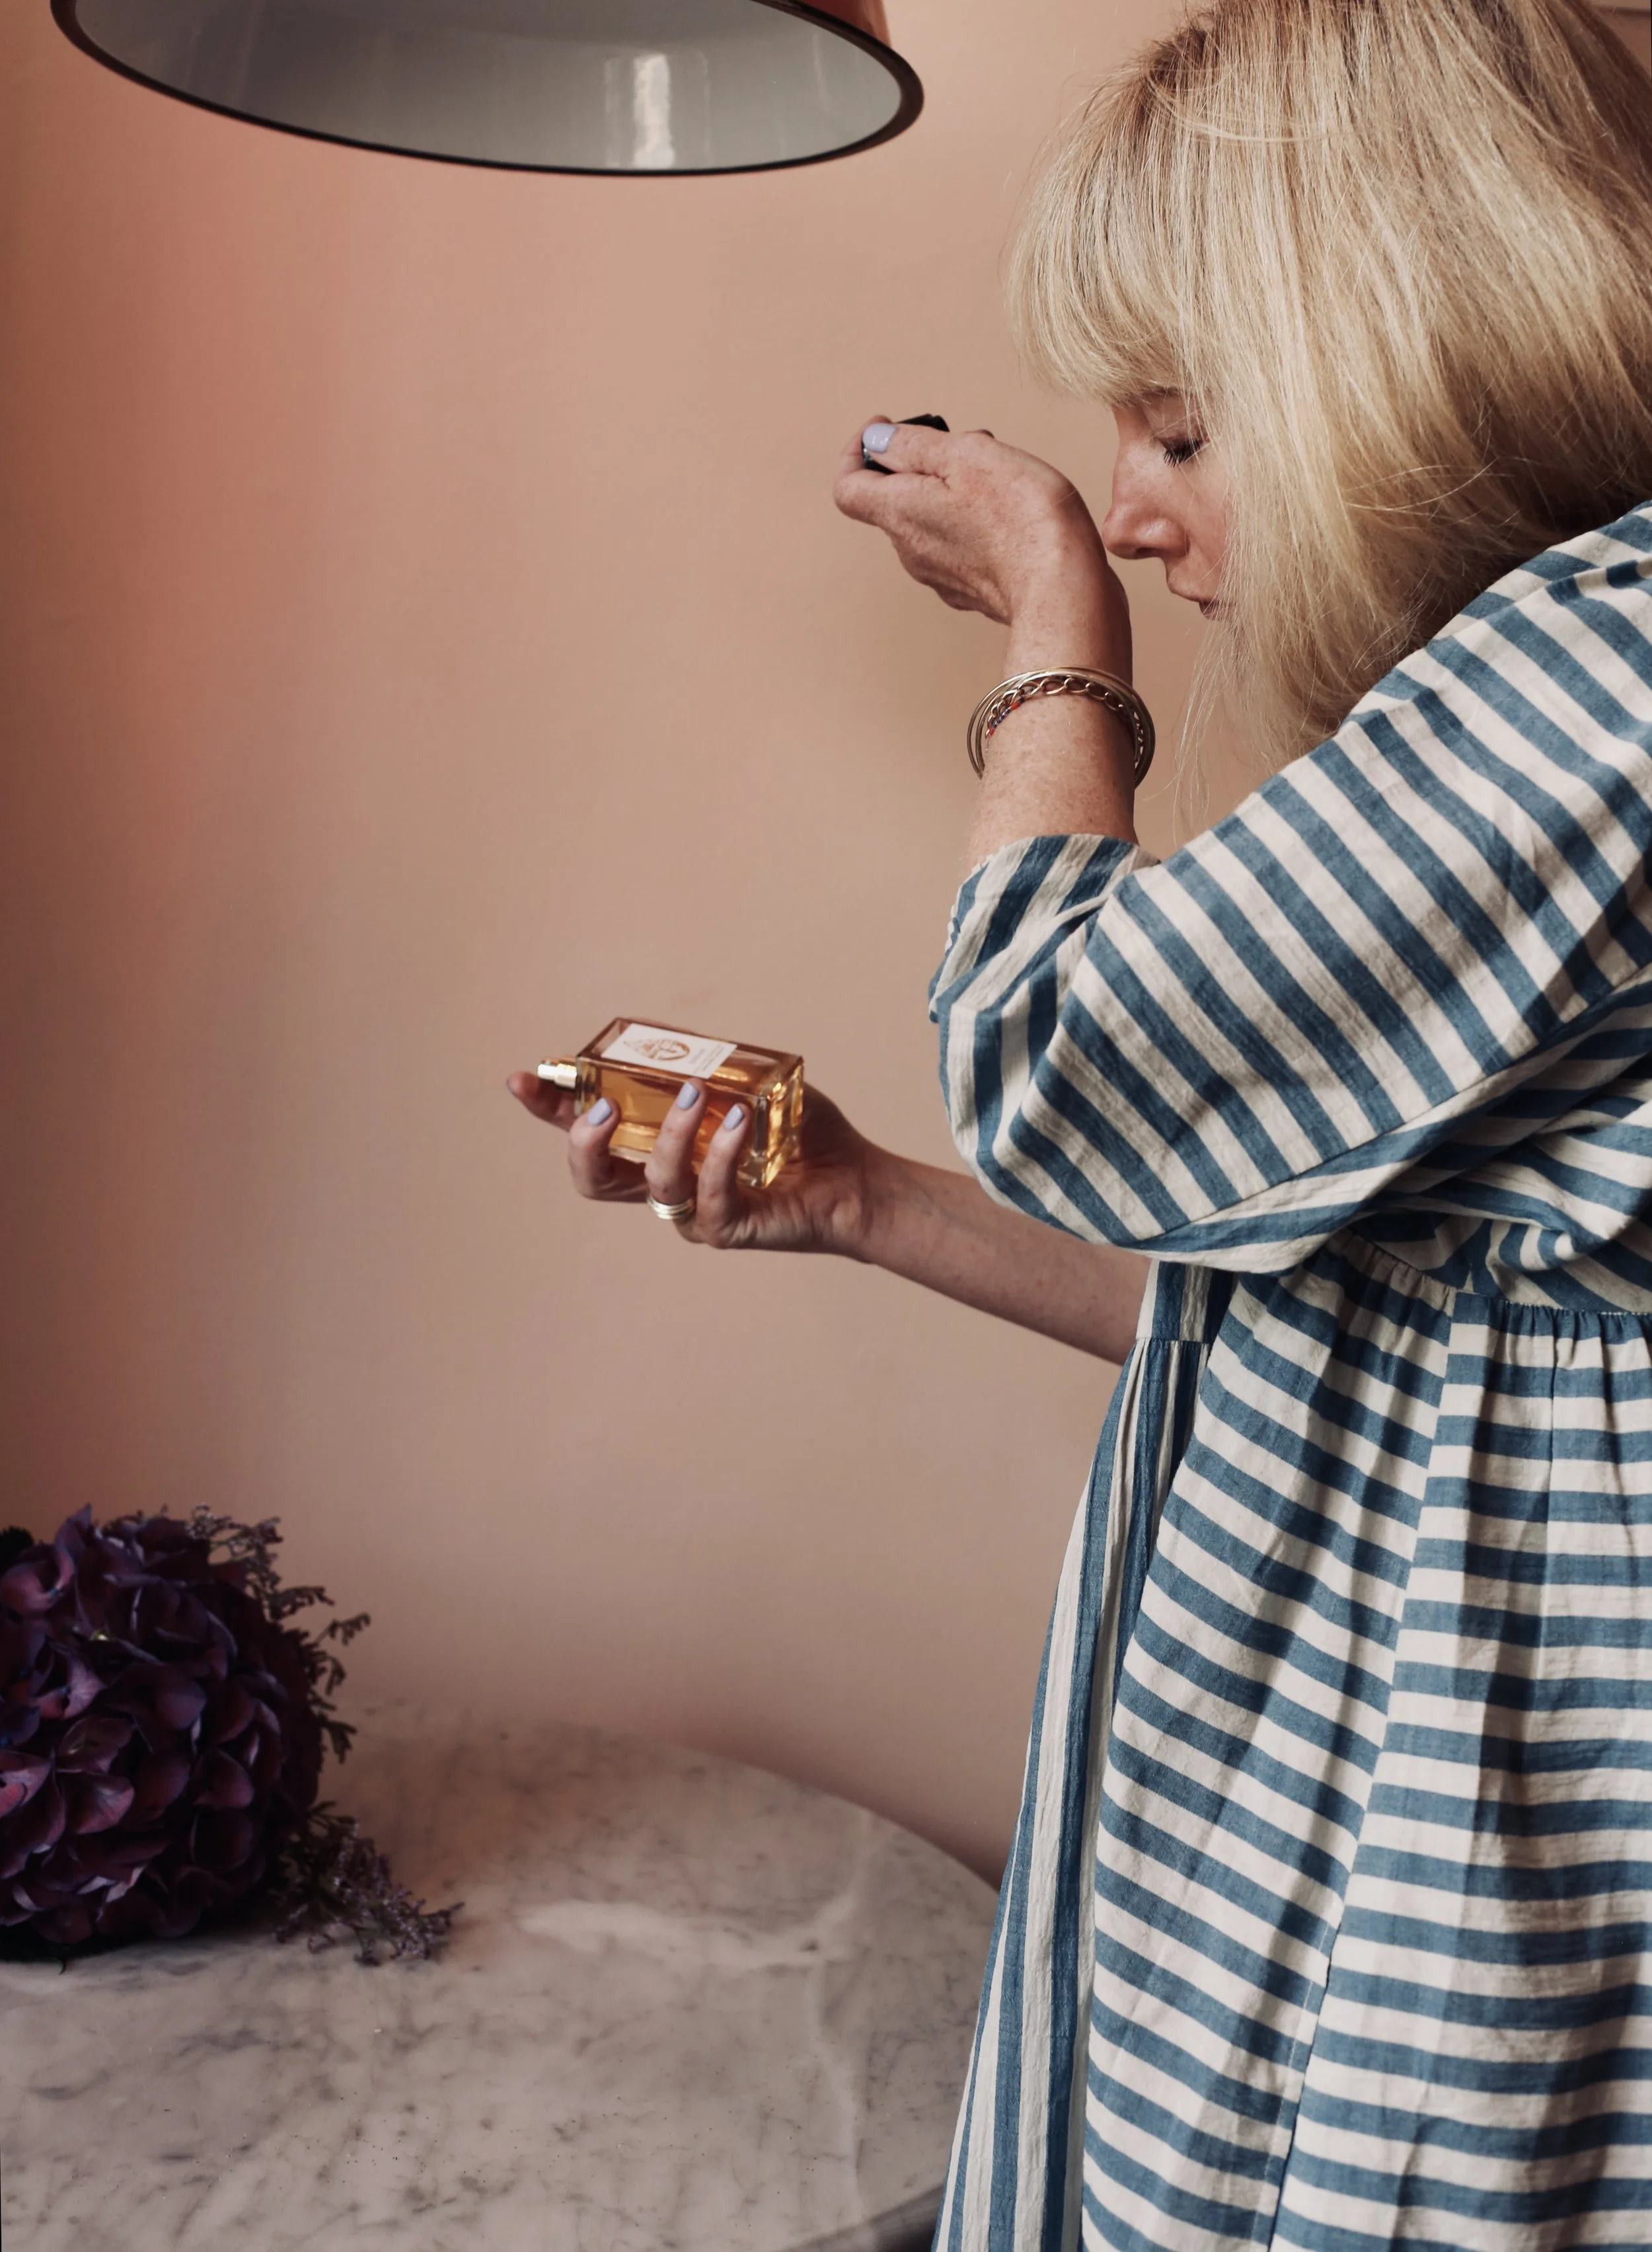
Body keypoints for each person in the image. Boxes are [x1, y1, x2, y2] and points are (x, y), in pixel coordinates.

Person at [509, 0, 1652, 2241]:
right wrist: (856, 1202)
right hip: (1387, 1795)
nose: (1133, 505)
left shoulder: (1615, 652)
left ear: (1398, 347)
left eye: (1182, 420)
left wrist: (1053, 634)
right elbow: (1360, 1342)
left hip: (1459, 1828)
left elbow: (1064, 1056)